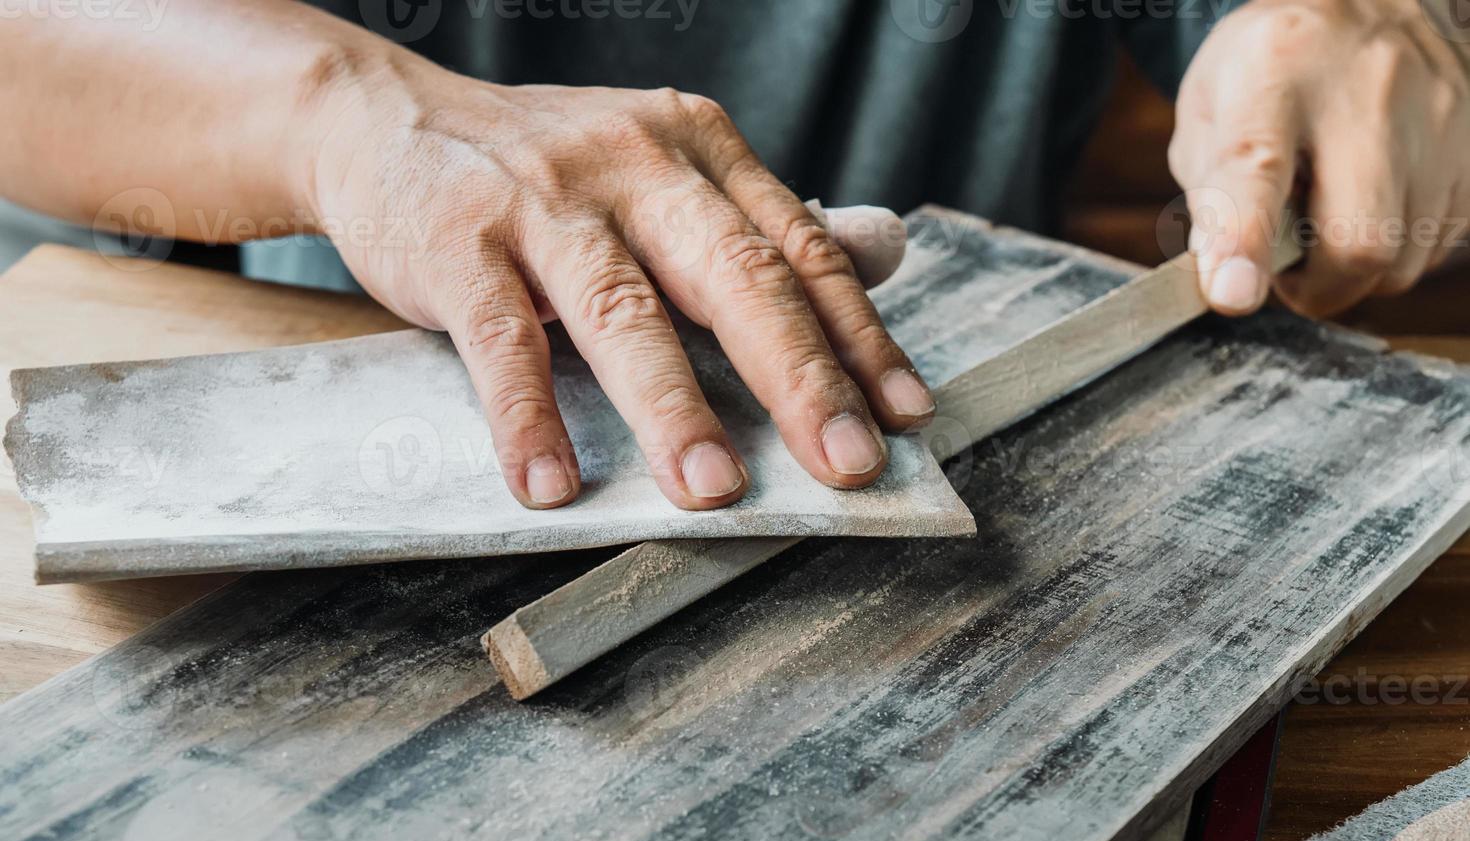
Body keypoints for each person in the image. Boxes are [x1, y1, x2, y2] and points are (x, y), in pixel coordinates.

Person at [2, 0, 1465, 510]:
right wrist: (346, 117)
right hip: (253, 399)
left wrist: (1384, 38)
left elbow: (1337, 43)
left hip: (940, 459)